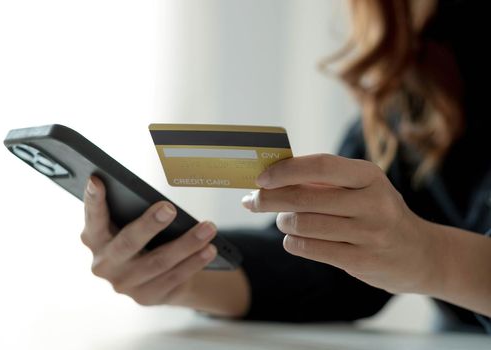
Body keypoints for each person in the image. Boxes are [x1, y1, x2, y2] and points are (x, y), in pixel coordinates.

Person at [79, 0, 491, 333]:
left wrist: (432, 256)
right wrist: (183, 274)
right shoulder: (422, 71)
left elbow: (408, 256)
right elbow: (334, 271)